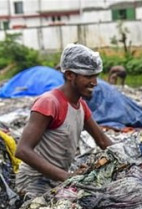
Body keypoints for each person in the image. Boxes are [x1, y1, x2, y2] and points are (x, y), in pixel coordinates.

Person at [15, 43, 113, 198]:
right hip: (34, 182)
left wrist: (130, 157)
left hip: (58, 179)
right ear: (69, 75)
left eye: (96, 76)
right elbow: (22, 150)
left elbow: (102, 140)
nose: (95, 82)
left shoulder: (80, 105)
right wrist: (67, 177)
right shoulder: (49, 103)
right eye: (88, 76)